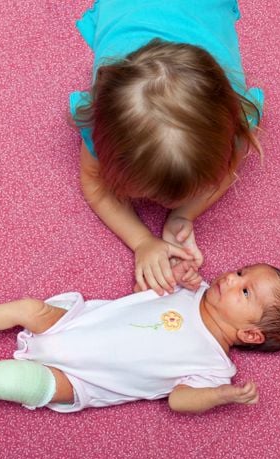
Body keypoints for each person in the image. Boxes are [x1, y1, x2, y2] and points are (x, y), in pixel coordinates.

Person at [0, 262, 280, 414]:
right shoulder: (194, 290)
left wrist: (220, 396)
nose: (232, 279)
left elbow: (179, 400)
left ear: (248, 333)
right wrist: (179, 273)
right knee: (29, 308)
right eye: (242, 272)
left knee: (13, 382)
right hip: (76, 324)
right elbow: (150, 280)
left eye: (245, 292)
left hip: (84, 381)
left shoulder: (214, 368)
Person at [70, 1, 264, 295]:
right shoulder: (97, 124)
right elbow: (94, 184)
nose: (161, 204)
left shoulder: (239, 120)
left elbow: (228, 170)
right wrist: (141, 241)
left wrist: (184, 214)